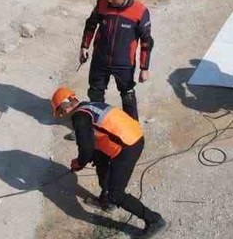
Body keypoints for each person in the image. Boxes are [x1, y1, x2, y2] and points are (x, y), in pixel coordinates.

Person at [51, 87, 167, 238]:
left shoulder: (79, 117)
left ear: (65, 106)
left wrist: (79, 164)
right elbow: (97, 137)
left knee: (117, 193)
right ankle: (106, 200)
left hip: (128, 146)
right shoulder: (89, 106)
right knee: (99, 158)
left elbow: (85, 149)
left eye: (60, 112)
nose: (61, 116)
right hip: (132, 135)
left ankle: (154, 220)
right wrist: (91, 155)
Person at [80, 0, 153, 120]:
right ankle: (95, 125)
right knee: (95, 93)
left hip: (124, 63)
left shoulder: (140, 11)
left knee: (127, 95)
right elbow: (90, 25)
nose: (109, 0)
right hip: (100, 59)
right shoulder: (102, 5)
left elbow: (146, 41)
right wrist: (84, 46)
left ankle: (132, 129)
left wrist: (144, 69)